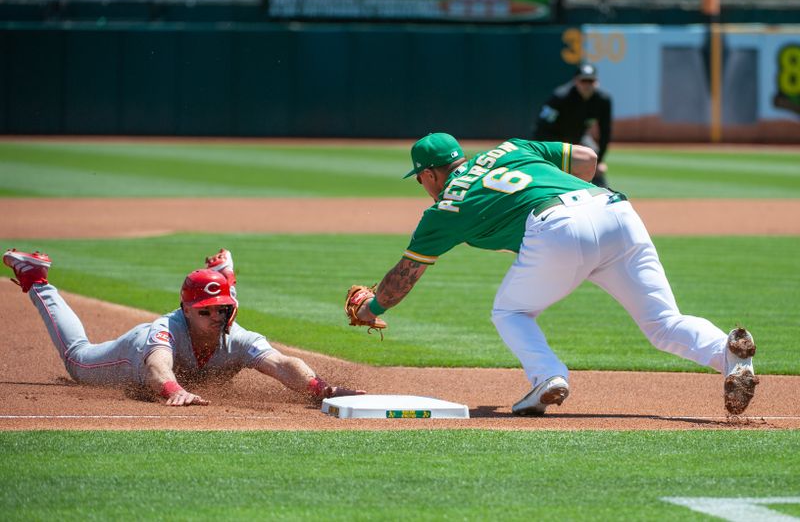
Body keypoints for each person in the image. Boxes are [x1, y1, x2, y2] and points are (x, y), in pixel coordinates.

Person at [350, 132, 757, 416]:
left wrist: (372, 306)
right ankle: (729, 356)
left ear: (430, 174)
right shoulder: (511, 147)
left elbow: (404, 277)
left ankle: (548, 377)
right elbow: (588, 159)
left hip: (557, 228)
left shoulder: (445, 208)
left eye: (421, 179)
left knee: (509, 312)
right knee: (664, 323)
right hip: (613, 209)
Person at [3, 247, 363, 406]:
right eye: (206, 311)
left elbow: (282, 363)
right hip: (131, 358)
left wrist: (322, 388)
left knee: (226, 310)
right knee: (76, 357)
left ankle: (224, 276)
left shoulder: (235, 334)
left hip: (188, 327)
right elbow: (158, 366)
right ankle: (36, 279)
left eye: (222, 310)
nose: (217, 317)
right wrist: (174, 389)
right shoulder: (162, 332)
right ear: (186, 309)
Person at [533, 63, 612, 188]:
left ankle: (604, 196)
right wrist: (543, 153)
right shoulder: (560, 97)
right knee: (552, 176)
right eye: (583, 81)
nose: (587, 85)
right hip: (554, 140)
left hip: (579, 138)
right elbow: (542, 126)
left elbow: (605, 131)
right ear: (576, 81)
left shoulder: (603, 100)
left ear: (597, 82)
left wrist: (600, 161)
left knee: (593, 160)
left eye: (590, 81)